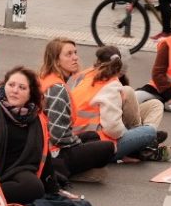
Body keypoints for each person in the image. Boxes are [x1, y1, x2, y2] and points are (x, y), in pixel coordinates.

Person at [70, 46, 170, 163]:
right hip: (99, 142)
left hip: (79, 136)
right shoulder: (111, 84)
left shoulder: (85, 75)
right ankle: (144, 147)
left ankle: (143, 146)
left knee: (155, 105)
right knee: (149, 132)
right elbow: (113, 129)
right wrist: (131, 134)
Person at [39, 38, 117, 182]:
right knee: (108, 147)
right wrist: (79, 144)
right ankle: (66, 172)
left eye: (75, 53)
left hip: (51, 145)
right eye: (68, 54)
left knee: (93, 136)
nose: (75, 57)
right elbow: (59, 136)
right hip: (53, 152)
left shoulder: (48, 78)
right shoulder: (57, 88)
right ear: (56, 60)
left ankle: (79, 168)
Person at [0, 66, 57, 204]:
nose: (15, 90)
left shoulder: (36, 117)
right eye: (11, 85)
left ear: (30, 93)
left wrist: (53, 187)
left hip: (18, 169)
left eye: (22, 88)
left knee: (34, 188)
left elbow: (44, 153)